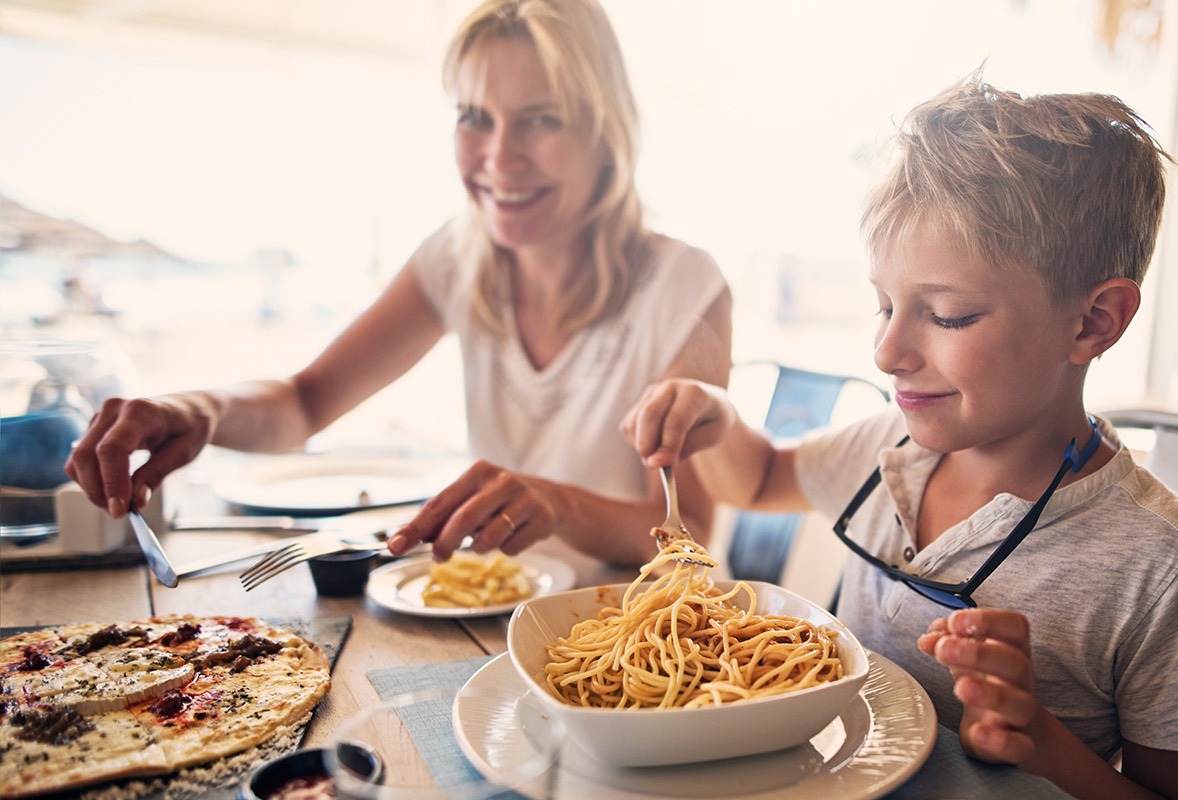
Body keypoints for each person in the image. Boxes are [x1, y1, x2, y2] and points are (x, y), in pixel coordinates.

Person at [623, 71, 1178, 800]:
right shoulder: (888, 449)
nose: (888, 352)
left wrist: (1042, 741)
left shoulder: (1166, 565)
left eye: (947, 315)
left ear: (1092, 322)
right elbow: (757, 480)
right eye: (884, 305)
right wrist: (715, 416)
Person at [64, 0, 732, 567]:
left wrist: (555, 504)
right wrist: (199, 408)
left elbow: (689, 536)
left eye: (541, 118)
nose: (499, 158)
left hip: (630, 650)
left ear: (604, 131)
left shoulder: (683, 285)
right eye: (474, 116)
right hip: (487, 626)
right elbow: (304, 402)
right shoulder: (454, 257)